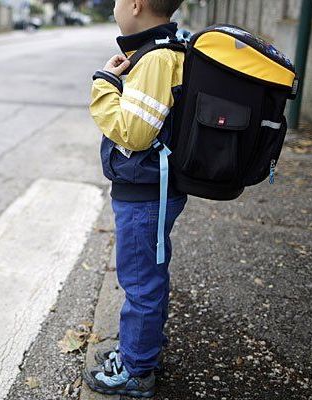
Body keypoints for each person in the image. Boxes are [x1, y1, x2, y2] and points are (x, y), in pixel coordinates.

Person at [83, 0, 186, 397]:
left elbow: (134, 133)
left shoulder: (156, 58)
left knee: (140, 281)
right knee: (148, 277)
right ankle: (143, 350)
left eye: (116, 1)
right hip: (151, 191)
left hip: (146, 196)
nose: (113, 7)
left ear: (136, 5)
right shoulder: (159, 50)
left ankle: (136, 370)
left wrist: (102, 85)